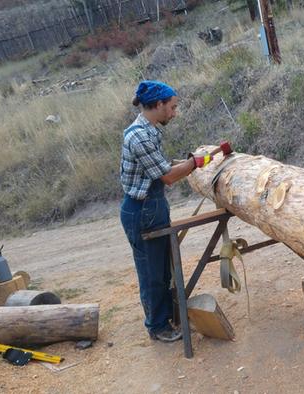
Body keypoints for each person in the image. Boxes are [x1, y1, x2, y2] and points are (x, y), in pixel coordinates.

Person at [119, 80, 198, 342]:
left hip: (153, 205)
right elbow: (167, 176)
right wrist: (194, 163)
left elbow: (162, 167)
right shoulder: (138, 136)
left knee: (163, 269)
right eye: (172, 107)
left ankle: (165, 317)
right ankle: (157, 326)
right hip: (142, 209)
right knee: (152, 272)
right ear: (158, 104)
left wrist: (188, 163)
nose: (174, 113)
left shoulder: (150, 131)